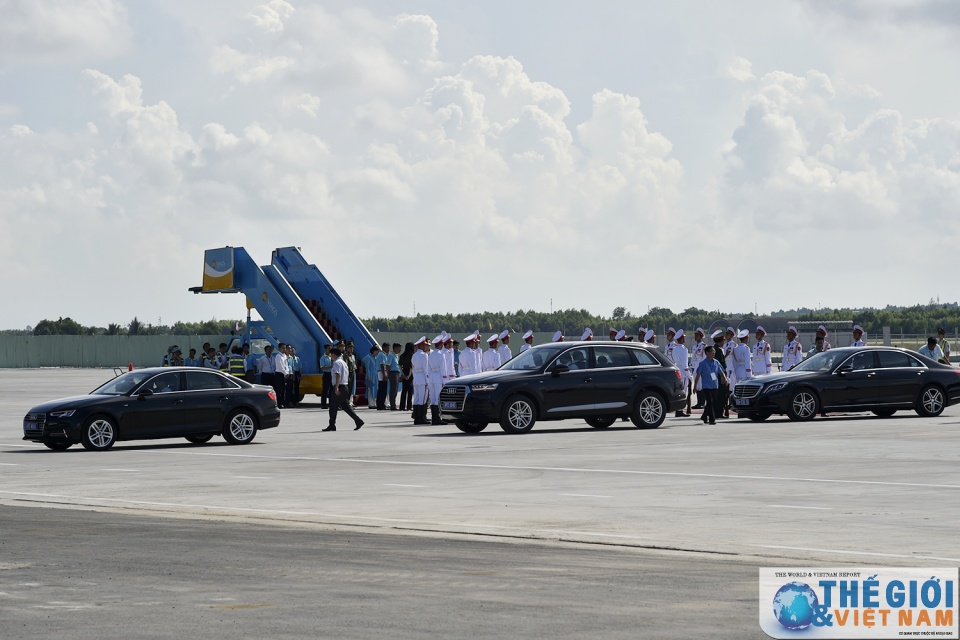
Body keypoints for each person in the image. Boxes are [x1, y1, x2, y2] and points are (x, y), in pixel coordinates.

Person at [322, 347, 364, 432]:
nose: (331, 356)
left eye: (331, 354)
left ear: (334, 354)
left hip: (340, 387)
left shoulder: (337, 363)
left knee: (333, 406)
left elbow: (338, 375)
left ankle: (332, 425)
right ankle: (358, 421)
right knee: (346, 406)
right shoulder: (343, 363)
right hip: (345, 386)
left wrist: (336, 387)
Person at [694, 345, 726, 425]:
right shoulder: (703, 363)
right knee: (710, 402)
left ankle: (704, 416)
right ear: (707, 353)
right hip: (706, 386)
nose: (714, 353)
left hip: (714, 385)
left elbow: (721, 371)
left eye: (714, 351)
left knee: (712, 402)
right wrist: (695, 386)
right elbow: (698, 375)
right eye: (712, 351)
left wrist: (724, 378)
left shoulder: (716, 362)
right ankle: (712, 419)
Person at [427, 335, 446, 425]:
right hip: (438, 377)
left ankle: (434, 418)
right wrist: (444, 381)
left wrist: (430, 378)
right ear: (441, 345)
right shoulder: (441, 355)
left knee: (433, 398)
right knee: (438, 398)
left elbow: (428, 368)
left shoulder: (430, 355)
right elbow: (443, 369)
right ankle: (437, 418)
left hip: (432, 377)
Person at [710, 330, 730, 419]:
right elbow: (721, 365)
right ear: (721, 341)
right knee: (722, 394)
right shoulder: (718, 350)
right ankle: (719, 412)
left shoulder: (713, 349)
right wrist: (723, 377)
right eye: (723, 341)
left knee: (715, 394)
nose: (723, 343)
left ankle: (715, 411)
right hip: (719, 375)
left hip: (713, 375)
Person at [411, 337, 430, 424]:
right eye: (425, 345)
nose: (426, 347)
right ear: (422, 345)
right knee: (422, 399)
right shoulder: (424, 355)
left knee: (417, 398)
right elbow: (426, 369)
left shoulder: (414, 355)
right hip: (423, 378)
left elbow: (413, 369)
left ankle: (416, 418)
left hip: (416, 378)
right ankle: (421, 418)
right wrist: (427, 380)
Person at [672, 330, 690, 417]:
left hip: (676, 369)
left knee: (678, 390)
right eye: (684, 338)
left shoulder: (674, 349)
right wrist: (689, 376)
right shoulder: (684, 349)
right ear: (681, 339)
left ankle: (678, 409)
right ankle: (680, 410)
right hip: (683, 370)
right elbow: (685, 364)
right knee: (684, 391)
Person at [690, 328, 706, 409]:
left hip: (701, 368)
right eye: (695, 335)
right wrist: (691, 367)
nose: (695, 336)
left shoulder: (703, 346)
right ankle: (698, 402)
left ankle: (702, 403)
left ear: (701, 336)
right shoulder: (694, 346)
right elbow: (693, 358)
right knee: (697, 386)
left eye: (697, 335)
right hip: (695, 368)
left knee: (701, 386)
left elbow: (704, 358)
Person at [361, 345, 381, 409]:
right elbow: (368, 368)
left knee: (375, 389)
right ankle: (371, 404)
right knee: (370, 390)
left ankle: (374, 403)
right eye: (376, 351)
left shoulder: (375, 358)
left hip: (375, 376)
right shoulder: (368, 358)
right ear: (373, 351)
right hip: (370, 376)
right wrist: (368, 376)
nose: (377, 353)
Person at [398, 342, 415, 411]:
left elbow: (399, 365)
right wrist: (409, 375)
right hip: (410, 373)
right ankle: (409, 406)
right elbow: (412, 367)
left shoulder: (402, 355)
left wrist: (403, 374)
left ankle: (402, 406)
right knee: (410, 390)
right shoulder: (412, 355)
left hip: (404, 371)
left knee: (404, 390)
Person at [273, 342, 291, 408]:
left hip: (284, 374)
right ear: (279, 348)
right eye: (283, 348)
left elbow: (286, 365)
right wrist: (285, 373)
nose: (284, 349)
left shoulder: (284, 356)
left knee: (283, 390)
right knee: (279, 390)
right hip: (279, 374)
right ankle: (279, 404)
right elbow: (280, 367)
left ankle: (282, 402)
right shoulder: (278, 356)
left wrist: (287, 372)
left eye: (285, 348)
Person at [376, 342, 390, 410]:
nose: (389, 349)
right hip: (382, 372)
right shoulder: (382, 355)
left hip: (382, 372)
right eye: (387, 347)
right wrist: (384, 375)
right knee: (382, 389)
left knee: (382, 389)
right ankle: (381, 404)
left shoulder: (383, 354)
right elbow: (382, 365)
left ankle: (381, 404)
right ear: (383, 348)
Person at [387, 343, 401, 410]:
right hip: (393, 373)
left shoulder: (396, 355)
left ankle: (393, 404)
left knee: (395, 390)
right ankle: (392, 405)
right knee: (393, 390)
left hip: (397, 373)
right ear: (395, 348)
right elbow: (388, 365)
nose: (400, 349)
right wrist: (387, 374)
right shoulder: (391, 355)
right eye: (399, 348)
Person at [319, 344, 333, 408]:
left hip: (332, 374)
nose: (330, 350)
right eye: (328, 349)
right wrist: (330, 366)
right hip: (327, 374)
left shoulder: (332, 357)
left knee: (332, 390)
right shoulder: (323, 357)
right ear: (326, 349)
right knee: (325, 389)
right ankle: (323, 404)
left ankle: (331, 403)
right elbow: (322, 367)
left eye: (330, 348)